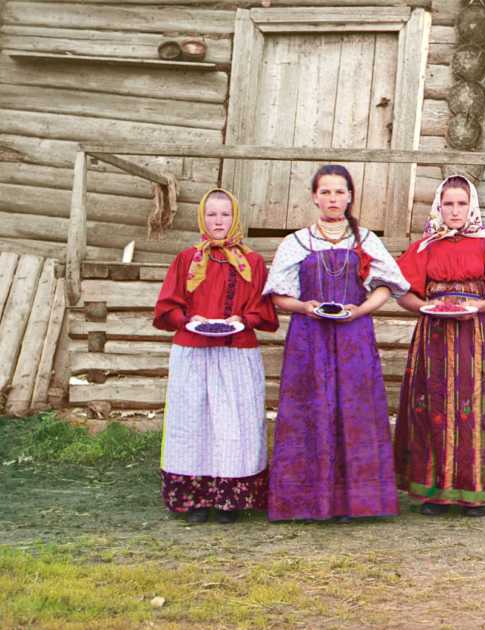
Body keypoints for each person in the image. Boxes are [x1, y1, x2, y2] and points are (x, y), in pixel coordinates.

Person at [264, 164, 410, 522]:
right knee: (310, 410)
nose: (333, 198)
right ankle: (307, 502)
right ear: (315, 197)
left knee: (355, 411)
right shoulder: (296, 242)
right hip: (308, 339)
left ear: (350, 196)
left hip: (353, 338)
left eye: (339, 191)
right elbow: (279, 296)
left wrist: (359, 311)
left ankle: (355, 503)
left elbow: (387, 286)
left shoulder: (366, 241)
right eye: (325, 192)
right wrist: (305, 307)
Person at [394, 175, 485, 517]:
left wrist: (480, 306)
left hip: (476, 337)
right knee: (433, 405)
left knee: (476, 407)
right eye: (448, 204)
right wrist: (424, 307)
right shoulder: (425, 247)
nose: (455, 211)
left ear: (472, 206)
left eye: (461, 203)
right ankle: (434, 491)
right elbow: (404, 293)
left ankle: (476, 490)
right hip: (434, 336)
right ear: (438, 206)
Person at [153, 188, 278, 524]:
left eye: (225, 214)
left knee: (233, 422)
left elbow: (262, 309)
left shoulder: (251, 262)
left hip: (236, 354)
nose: (218, 221)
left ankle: (230, 499)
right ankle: (194, 499)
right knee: (192, 422)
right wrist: (188, 319)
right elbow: (168, 304)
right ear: (202, 218)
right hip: (193, 352)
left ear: (235, 217)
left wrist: (243, 319)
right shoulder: (186, 259)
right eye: (212, 214)